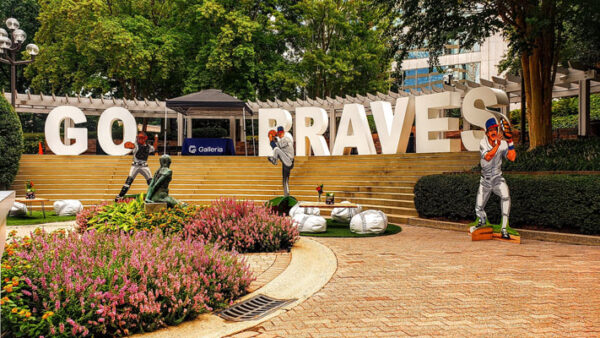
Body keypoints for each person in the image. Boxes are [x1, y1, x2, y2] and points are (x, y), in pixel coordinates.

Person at [471, 117, 517, 239]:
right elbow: (488, 157)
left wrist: (510, 141)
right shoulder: (482, 142)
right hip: (485, 180)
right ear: (486, 132)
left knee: (506, 196)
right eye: (490, 130)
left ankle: (504, 228)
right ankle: (482, 220)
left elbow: (512, 158)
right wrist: (497, 145)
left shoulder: (502, 143)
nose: (493, 132)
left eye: (495, 129)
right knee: (478, 207)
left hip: (497, 178)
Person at [116, 132, 155, 201]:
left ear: (145, 138)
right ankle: (120, 196)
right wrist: (129, 145)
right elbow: (128, 145)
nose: (139, 139)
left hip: (144, 166)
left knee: (150, 181)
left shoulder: (149, 147)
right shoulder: (136, 145)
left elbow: (154, 148)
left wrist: (156, 139)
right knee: (129, 181)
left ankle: (155, 195)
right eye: (138, 138)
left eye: (141, 138)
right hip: (135, 165)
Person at [268, 126, 294, 197]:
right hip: (285, 161)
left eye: (281, 133)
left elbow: (276, 147)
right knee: (285, 179)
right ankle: (286, 195)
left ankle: (274, 160)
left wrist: (272, 139)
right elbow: (277, 146)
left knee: (276, 149)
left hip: (289, 161)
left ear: (283, 132)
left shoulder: (286, 139)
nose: (279, 134)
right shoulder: (281, 140)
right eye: (278, 133)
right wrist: (272, 139)